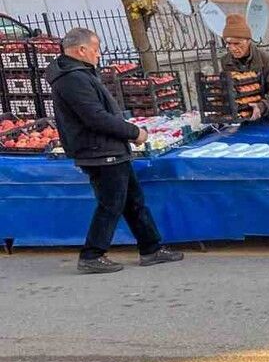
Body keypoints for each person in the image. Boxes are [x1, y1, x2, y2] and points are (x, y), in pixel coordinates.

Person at [45, 28, 184, 274]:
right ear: (81, 50)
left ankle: (151, 248)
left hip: (107, 148)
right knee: (111, 203)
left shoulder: (78, 74)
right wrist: (133, 132)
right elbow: (95, 117)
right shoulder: (73, 79)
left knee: (133, 200)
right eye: (96, 49)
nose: (99, 55)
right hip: (99, 150)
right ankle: (92, 254)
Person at [220, 13, 269, 121]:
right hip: (245, 117)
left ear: (248, 41)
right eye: (229, 43)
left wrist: (261, 106)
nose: (233, 48)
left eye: (237, 43)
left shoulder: (267, 60)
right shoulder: (226, 61)